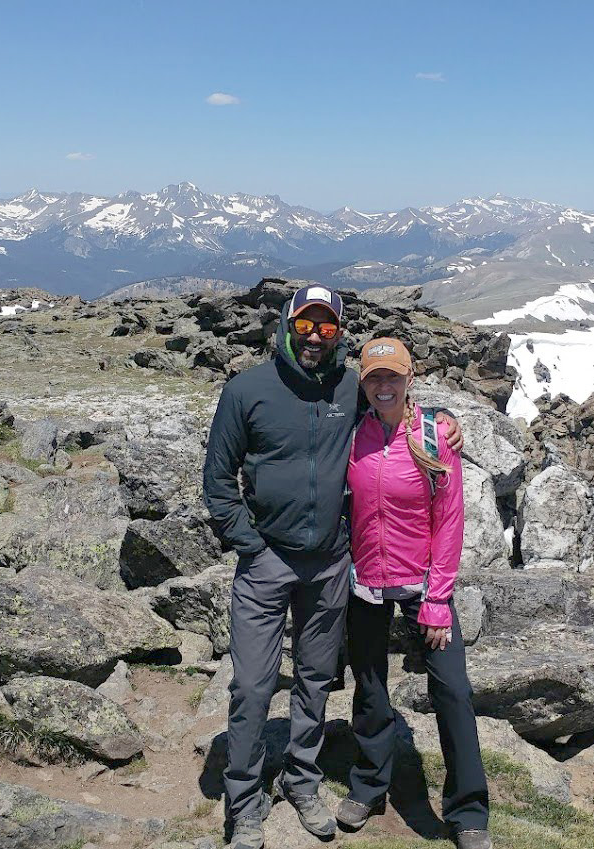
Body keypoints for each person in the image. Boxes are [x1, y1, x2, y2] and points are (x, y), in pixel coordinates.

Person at [202, 285, 462, 849]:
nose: (315, 337)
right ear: (286, 324)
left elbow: (397, 405)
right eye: (305, 325)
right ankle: (243, 804)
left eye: (326, 327)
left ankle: (302, 781)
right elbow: (218, 480)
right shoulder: (246, 390)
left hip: (329, 566)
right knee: (252, 686)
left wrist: (443, 418)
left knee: (316, 680)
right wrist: (249, 544)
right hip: (266, 562)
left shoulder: (350, 386)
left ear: (339, 332)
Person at [336, 337, 491, 849]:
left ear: (409, 379)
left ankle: (468, 812)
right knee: (370, 686)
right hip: (366, 580)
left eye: (393, 377)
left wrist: (438, 599)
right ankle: (368, 786)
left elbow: (450, 520)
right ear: (363, 383)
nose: (384, 386)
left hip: (424, 583)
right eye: (374, 377)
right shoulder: (351, 433)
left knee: (452, 691)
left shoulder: (434, 435)